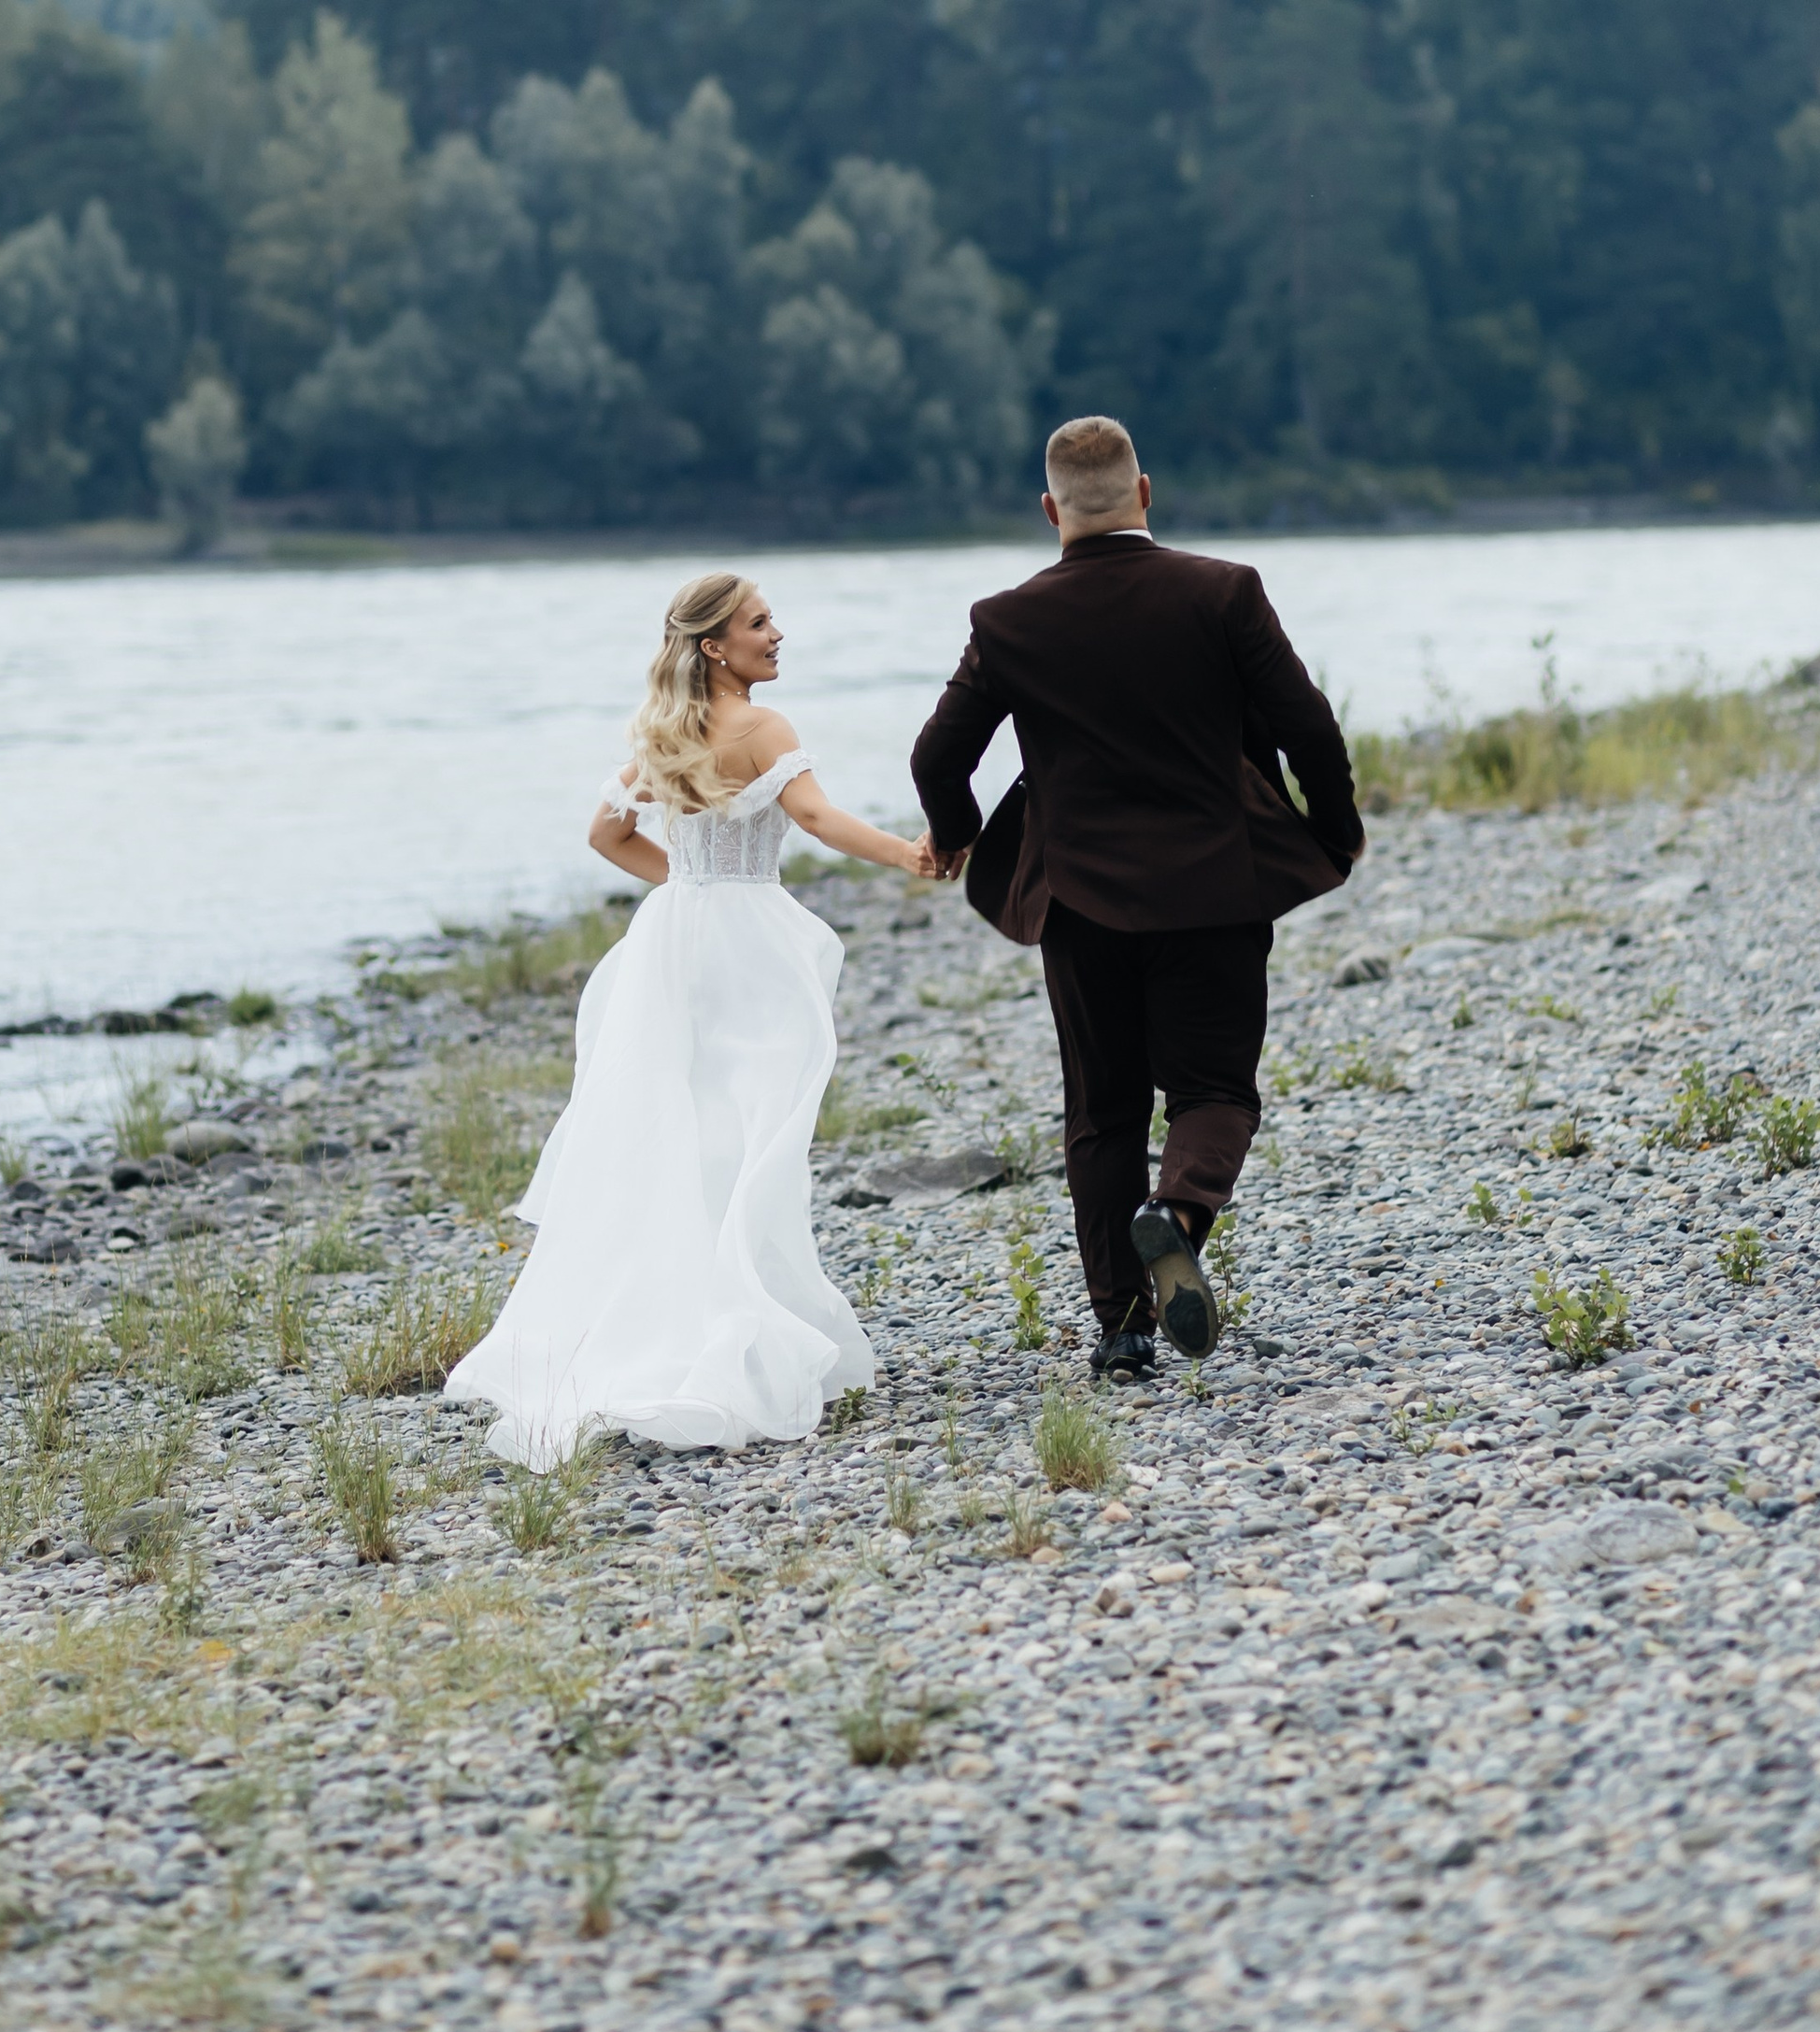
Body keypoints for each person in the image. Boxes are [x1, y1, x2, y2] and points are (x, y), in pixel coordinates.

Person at [446, 571, 934, 1467]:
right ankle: (736, 1327)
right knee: (752, 1134)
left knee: (676, 1132)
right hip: (749, 942)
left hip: (673, 940)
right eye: (759, 623)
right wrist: (909, 854)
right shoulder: (764, 728)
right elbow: (817, 817)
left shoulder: (661, 733)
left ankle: (675, 1319)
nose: (776, 633)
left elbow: (605, 835)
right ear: (716, 646)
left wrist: (688, 888)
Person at [910, 418, 1362, 1378]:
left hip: (1078, 901)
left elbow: (937, 756)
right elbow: (1306, 726)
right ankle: (1179, 1213)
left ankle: (1121, 1328)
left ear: (1049, 510)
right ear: (1143, 493)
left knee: (1101, 1113)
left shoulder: (1007, 619)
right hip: (1213, 885)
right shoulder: (1221, 591)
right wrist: (1330, 830)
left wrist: (954, 838)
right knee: (1213, 1091)